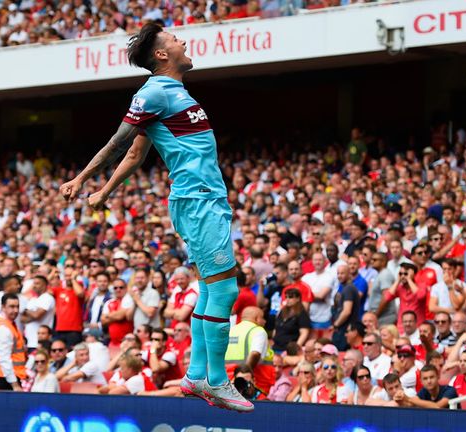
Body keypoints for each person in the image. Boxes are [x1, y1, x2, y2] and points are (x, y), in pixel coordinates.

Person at [59, 22, 251, 411]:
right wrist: (82, 179)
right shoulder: (154, 92)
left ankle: (197, 376)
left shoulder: (174, 94)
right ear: (162, 55)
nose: (183, 42)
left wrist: (104, 191)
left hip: (203, 200)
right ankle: (217, 380)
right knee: (226, 291)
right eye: (175, 40)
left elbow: (136, 155)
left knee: (212, 290)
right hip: (198, 201)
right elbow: (119, 141)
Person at [225, 306, 274, 393]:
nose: (265, 321)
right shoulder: (258, 331)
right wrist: (245, 376)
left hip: (229, 382)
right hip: (254, 385)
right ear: (256, 318)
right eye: (263, 318)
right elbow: (255, 353)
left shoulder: (231, 330)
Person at [0, 293, 27, 391]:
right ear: (3, 307)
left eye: (17, 306)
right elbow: (4, 358)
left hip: (3, 376)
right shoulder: (3, 328)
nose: (16, 310)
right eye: (11, 307)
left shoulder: (7, 324)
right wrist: (15, 384)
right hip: (4, 379)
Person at [272, 289, 311, 354]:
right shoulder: (282, 311)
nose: (287, 299)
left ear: (298, 299)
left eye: (290, 297)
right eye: (286, 297)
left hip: (288, 350)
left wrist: (295, 349)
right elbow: (276, 328)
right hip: (275, 347)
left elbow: (304, 333)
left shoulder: (302, 314)